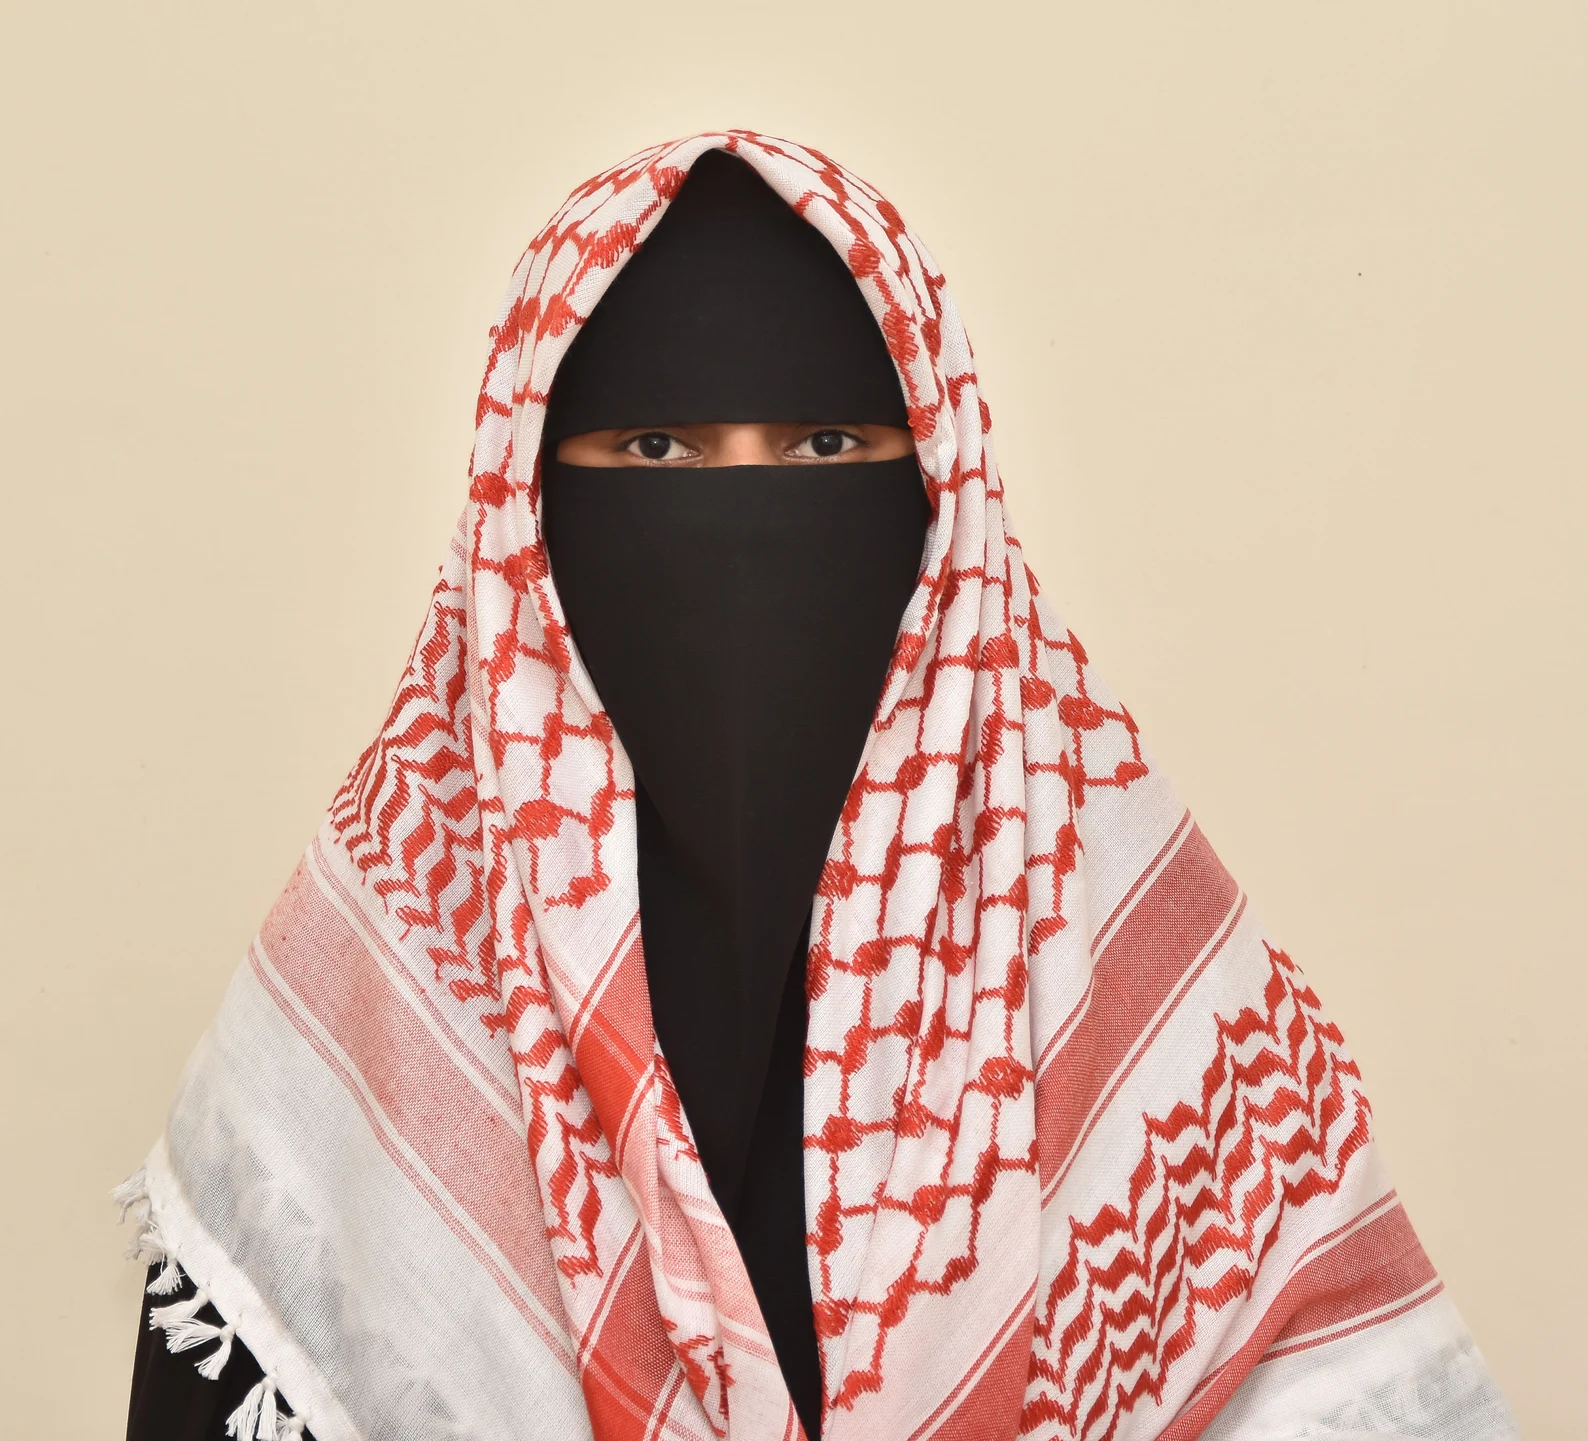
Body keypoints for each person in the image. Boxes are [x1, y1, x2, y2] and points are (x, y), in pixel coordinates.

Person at [119, 134, 1518, 1441]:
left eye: (826, 450)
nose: (744, 520)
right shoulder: (393, 954)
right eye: (658, 451)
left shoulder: (1100, 927)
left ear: (937, 497)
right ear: (531, 514)